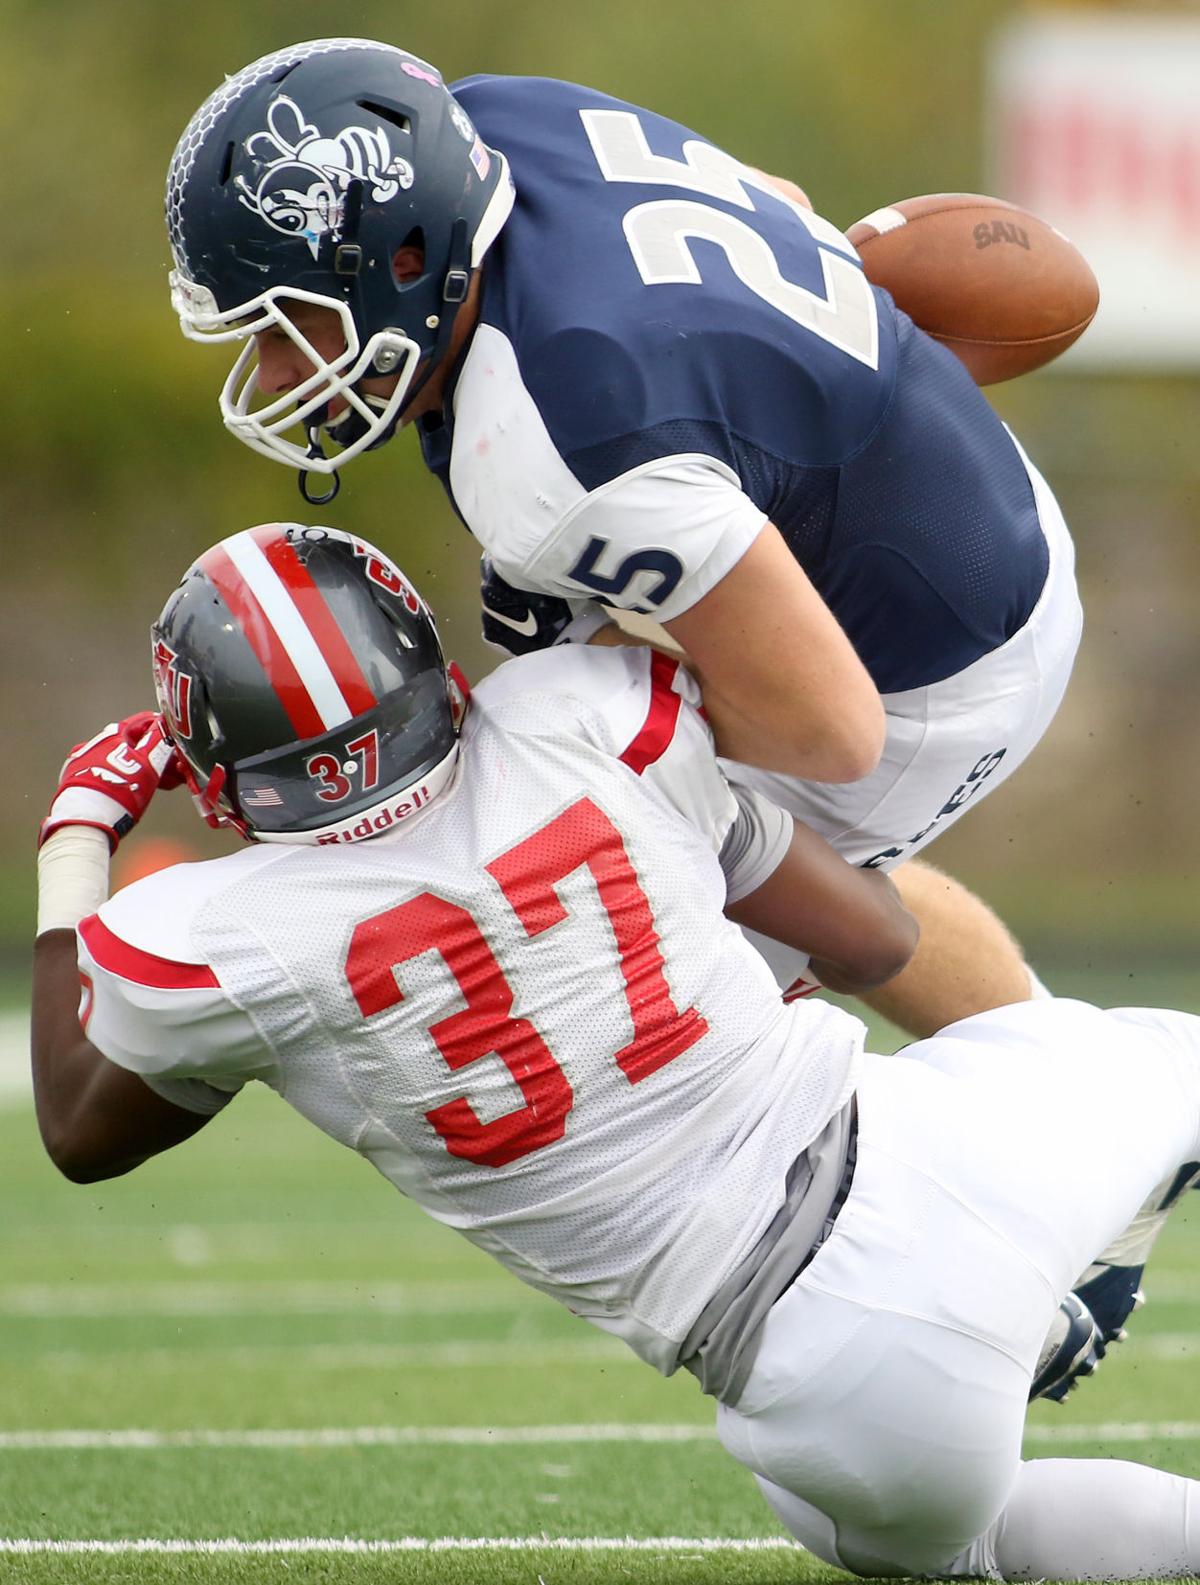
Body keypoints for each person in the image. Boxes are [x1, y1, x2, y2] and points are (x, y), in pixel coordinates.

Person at [32, 524, 1200, 1580]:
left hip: (827, 1388)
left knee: (947, 1533)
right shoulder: (575, 714)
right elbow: (878, 935)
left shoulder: (218, 942)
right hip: (948, 1153)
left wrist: (78, 833)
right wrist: (702, 859)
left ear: (213, 770)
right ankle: (1071, 1245)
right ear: (425, 672)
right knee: (1146, 1067)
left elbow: (78, 1132)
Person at [162, 38, 1083, 1052]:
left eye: (289, 320)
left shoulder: (553, 446)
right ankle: (1074, 1081)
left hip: (938, 655)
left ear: (407, 258)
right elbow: (776, 197)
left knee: (649, 1004)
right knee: (748, 843)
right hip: (957, 489)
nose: (274, 362)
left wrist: (603, 683)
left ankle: (1055, 1142)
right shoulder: (501, 118)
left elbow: (832, 731)